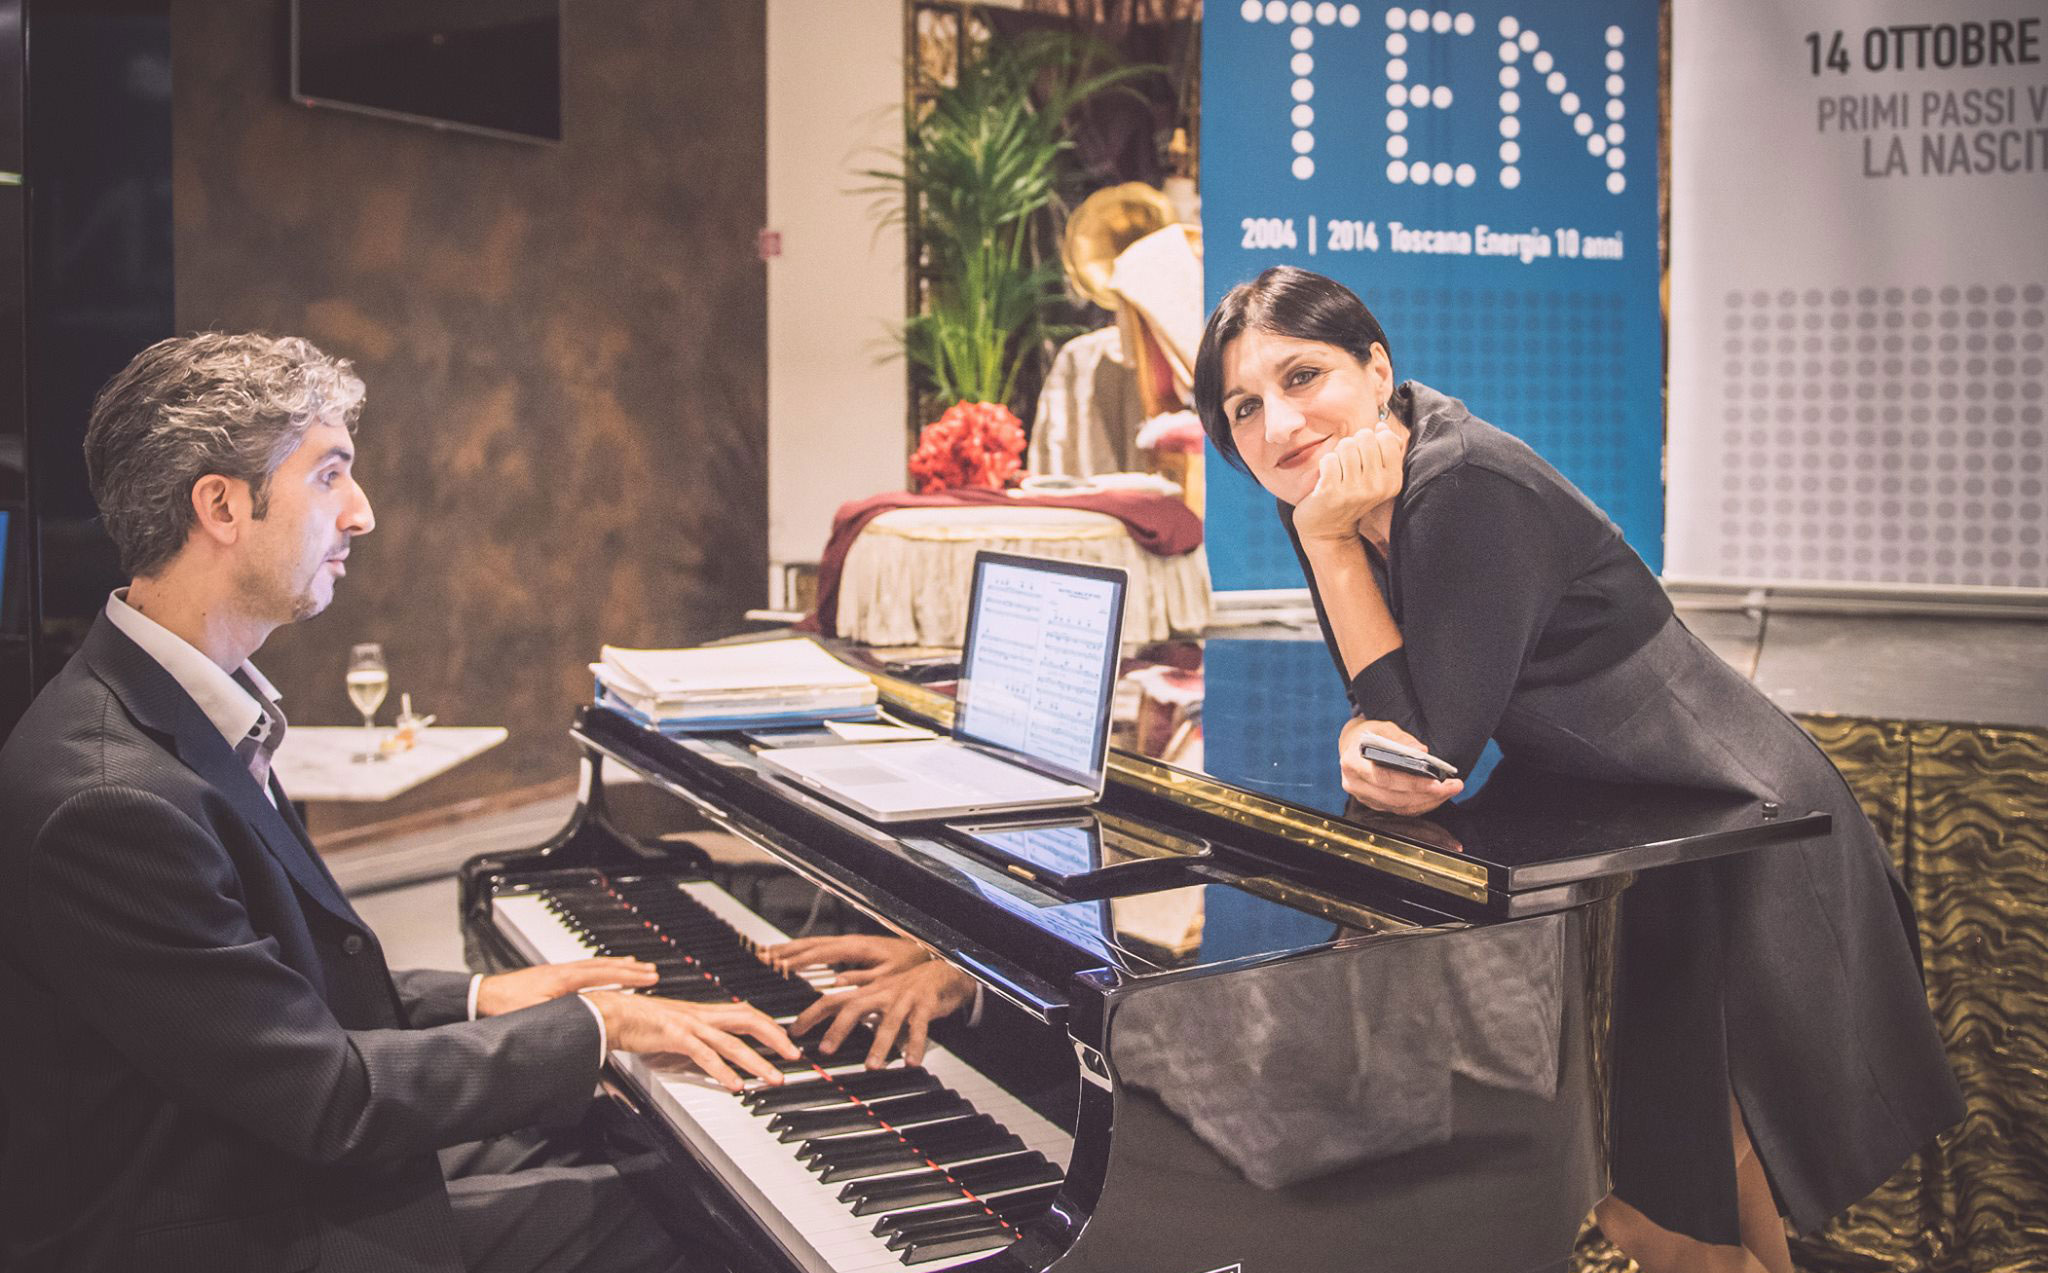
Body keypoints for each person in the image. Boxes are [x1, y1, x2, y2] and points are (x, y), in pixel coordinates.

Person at [1189, 267, 1964, 1273]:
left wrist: (1329, 551)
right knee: (1682, 1199)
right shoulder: (1337, 489)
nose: (1279, 423)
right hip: (1634, 826)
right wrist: (1356, 710)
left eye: (1301, 376)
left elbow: (1426, 749)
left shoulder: (1456, 485)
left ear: (1376, 369)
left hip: (1740, 823)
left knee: (1673, 1196)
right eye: (1243, 407)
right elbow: (1390, 708)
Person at [0, 333, 821, 1273]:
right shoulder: (111, 799)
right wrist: (597, 1029)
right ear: (221, 505)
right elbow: (328, 1097)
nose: (363, 512)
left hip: (250, 1153)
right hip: (211, 1226)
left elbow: (269, 997)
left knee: (621, 1144)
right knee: (686, 1221)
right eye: (329, 475)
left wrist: (481, 995)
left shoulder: (177, 708)